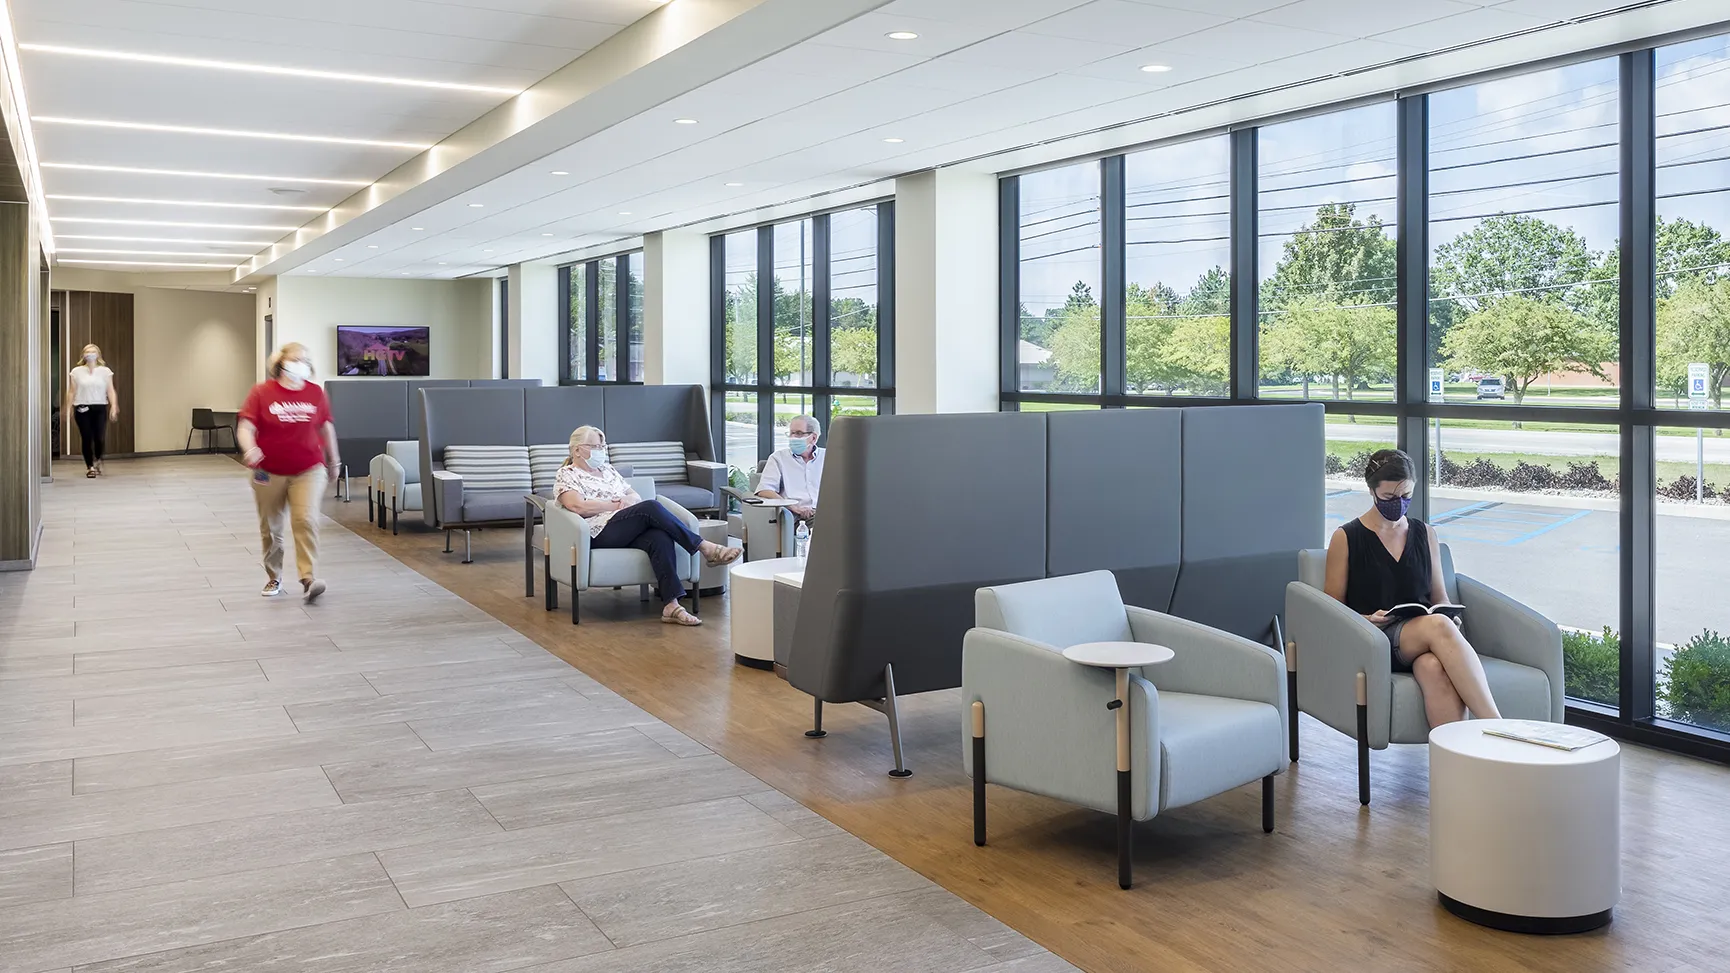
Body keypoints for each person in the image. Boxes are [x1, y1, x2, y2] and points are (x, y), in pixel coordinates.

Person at [1324, 449, 1501, 728]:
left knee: (1433, 667)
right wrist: (1368, 619)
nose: (1399, 504)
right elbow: (1331, 612)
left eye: (1406, 497)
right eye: (1390, 498)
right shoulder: (1346, 537)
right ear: (1372, 491)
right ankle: (1497, 727)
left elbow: (1439, 596)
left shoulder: (1425, 533)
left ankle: (1456, 766)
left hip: (1421, 639)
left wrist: (1449, 615)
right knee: (1438, 627)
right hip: (1375, 638)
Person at [556, 425, 741, 626]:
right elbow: (577, 505)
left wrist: (627, 501)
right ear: (576, 450)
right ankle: (704, 547)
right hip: (597, 531)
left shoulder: (607, 470)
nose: (600, 451)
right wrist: (616, 503)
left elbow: (634, 495)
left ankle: (671, 605)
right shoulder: (567, 474)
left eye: (602, 446)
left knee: (659, 537)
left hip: (624, 525)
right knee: (651, 507)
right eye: (594, 446)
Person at [237, 343, 340, 602]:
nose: (301, 364)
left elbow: (326, 428)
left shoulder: (316, 393)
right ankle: (274, 577)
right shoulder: (262, 392)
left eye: (305, 360)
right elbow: (245, 427)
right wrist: (250, 450)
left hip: (309, 468)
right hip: (268, 471)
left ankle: (309, 578)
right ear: (281, 363)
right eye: (296, 359)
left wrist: (334, 460)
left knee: (306, 519)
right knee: (271, 528)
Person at [756, 415, 824, 522]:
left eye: (799, 433)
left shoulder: (828, 457)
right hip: (796, 516)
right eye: (791, 433)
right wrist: (792, 507)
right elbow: (764, 490)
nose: (793, 437)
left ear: (813, 438)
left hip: (826, 512)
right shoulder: (778, 458)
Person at [66, 344, 118, 477]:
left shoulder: (105, 371)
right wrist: (68, 407)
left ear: (98, 354)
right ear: (83, 355)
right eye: (87, 352)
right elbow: (72, 391)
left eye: (93, 351)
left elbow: (110, 390)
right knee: (86, 437)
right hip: (82, 407)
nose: (90, 354)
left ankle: (98, 458)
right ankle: (90, 467)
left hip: (100, 407)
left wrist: (113, 406)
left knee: (99, 437)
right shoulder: (76, 371)